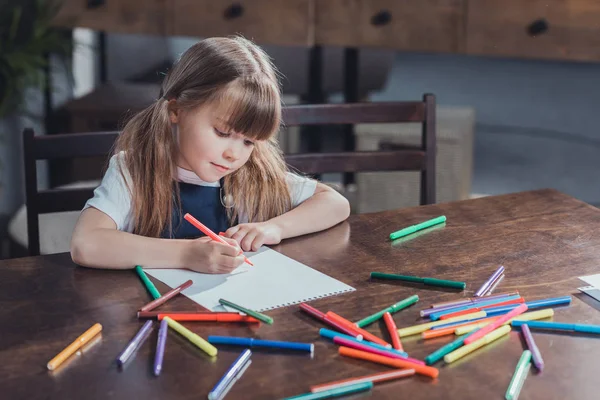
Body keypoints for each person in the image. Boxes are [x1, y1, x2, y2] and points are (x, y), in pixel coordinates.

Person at [70, 36, 350, 274]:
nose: (234, 154)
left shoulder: (250, 173)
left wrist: (274, 228)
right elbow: (86, 244)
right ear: (176, 111)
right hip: (156, 318)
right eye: (222, 132)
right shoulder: (133, 170)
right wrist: (185, 255)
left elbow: (335, 203)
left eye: (249, 141)